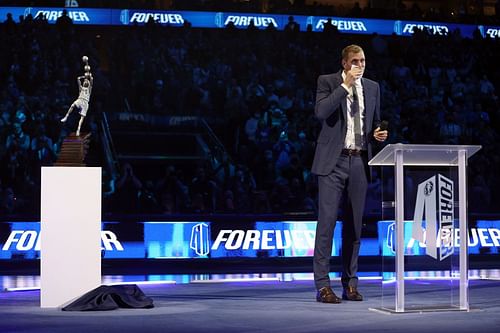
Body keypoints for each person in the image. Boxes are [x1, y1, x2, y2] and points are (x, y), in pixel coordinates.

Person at [312, 44, 388, 303]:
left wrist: (377, 133)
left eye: (363, 61)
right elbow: (321, 112)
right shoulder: (327, 82)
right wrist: (345, 86)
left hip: (359, 161)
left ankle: (350, 284)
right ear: (344, 63)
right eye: (355, 61)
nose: (360, 65)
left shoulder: (373, 87)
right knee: (327, 224)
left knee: (355, 226)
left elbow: (374, 121)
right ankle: (323, 286)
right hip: (332, 162)